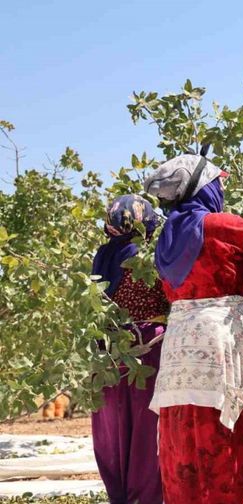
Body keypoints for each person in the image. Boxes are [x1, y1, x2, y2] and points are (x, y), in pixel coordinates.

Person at [143, 153, 243, 504]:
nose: (220, 189)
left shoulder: (167, 237)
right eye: (216, 183)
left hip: (179, 347)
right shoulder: (216, 224)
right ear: (202, 189)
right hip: (221, 340)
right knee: (232, 434)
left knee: (186, 431)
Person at [91, 194, 167, 504]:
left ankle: (120, 496)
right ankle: (145, 497)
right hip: (148, 347)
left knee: (113, 429)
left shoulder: (103, 256)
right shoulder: (147, 257)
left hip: (108, 350)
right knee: (147, 431)